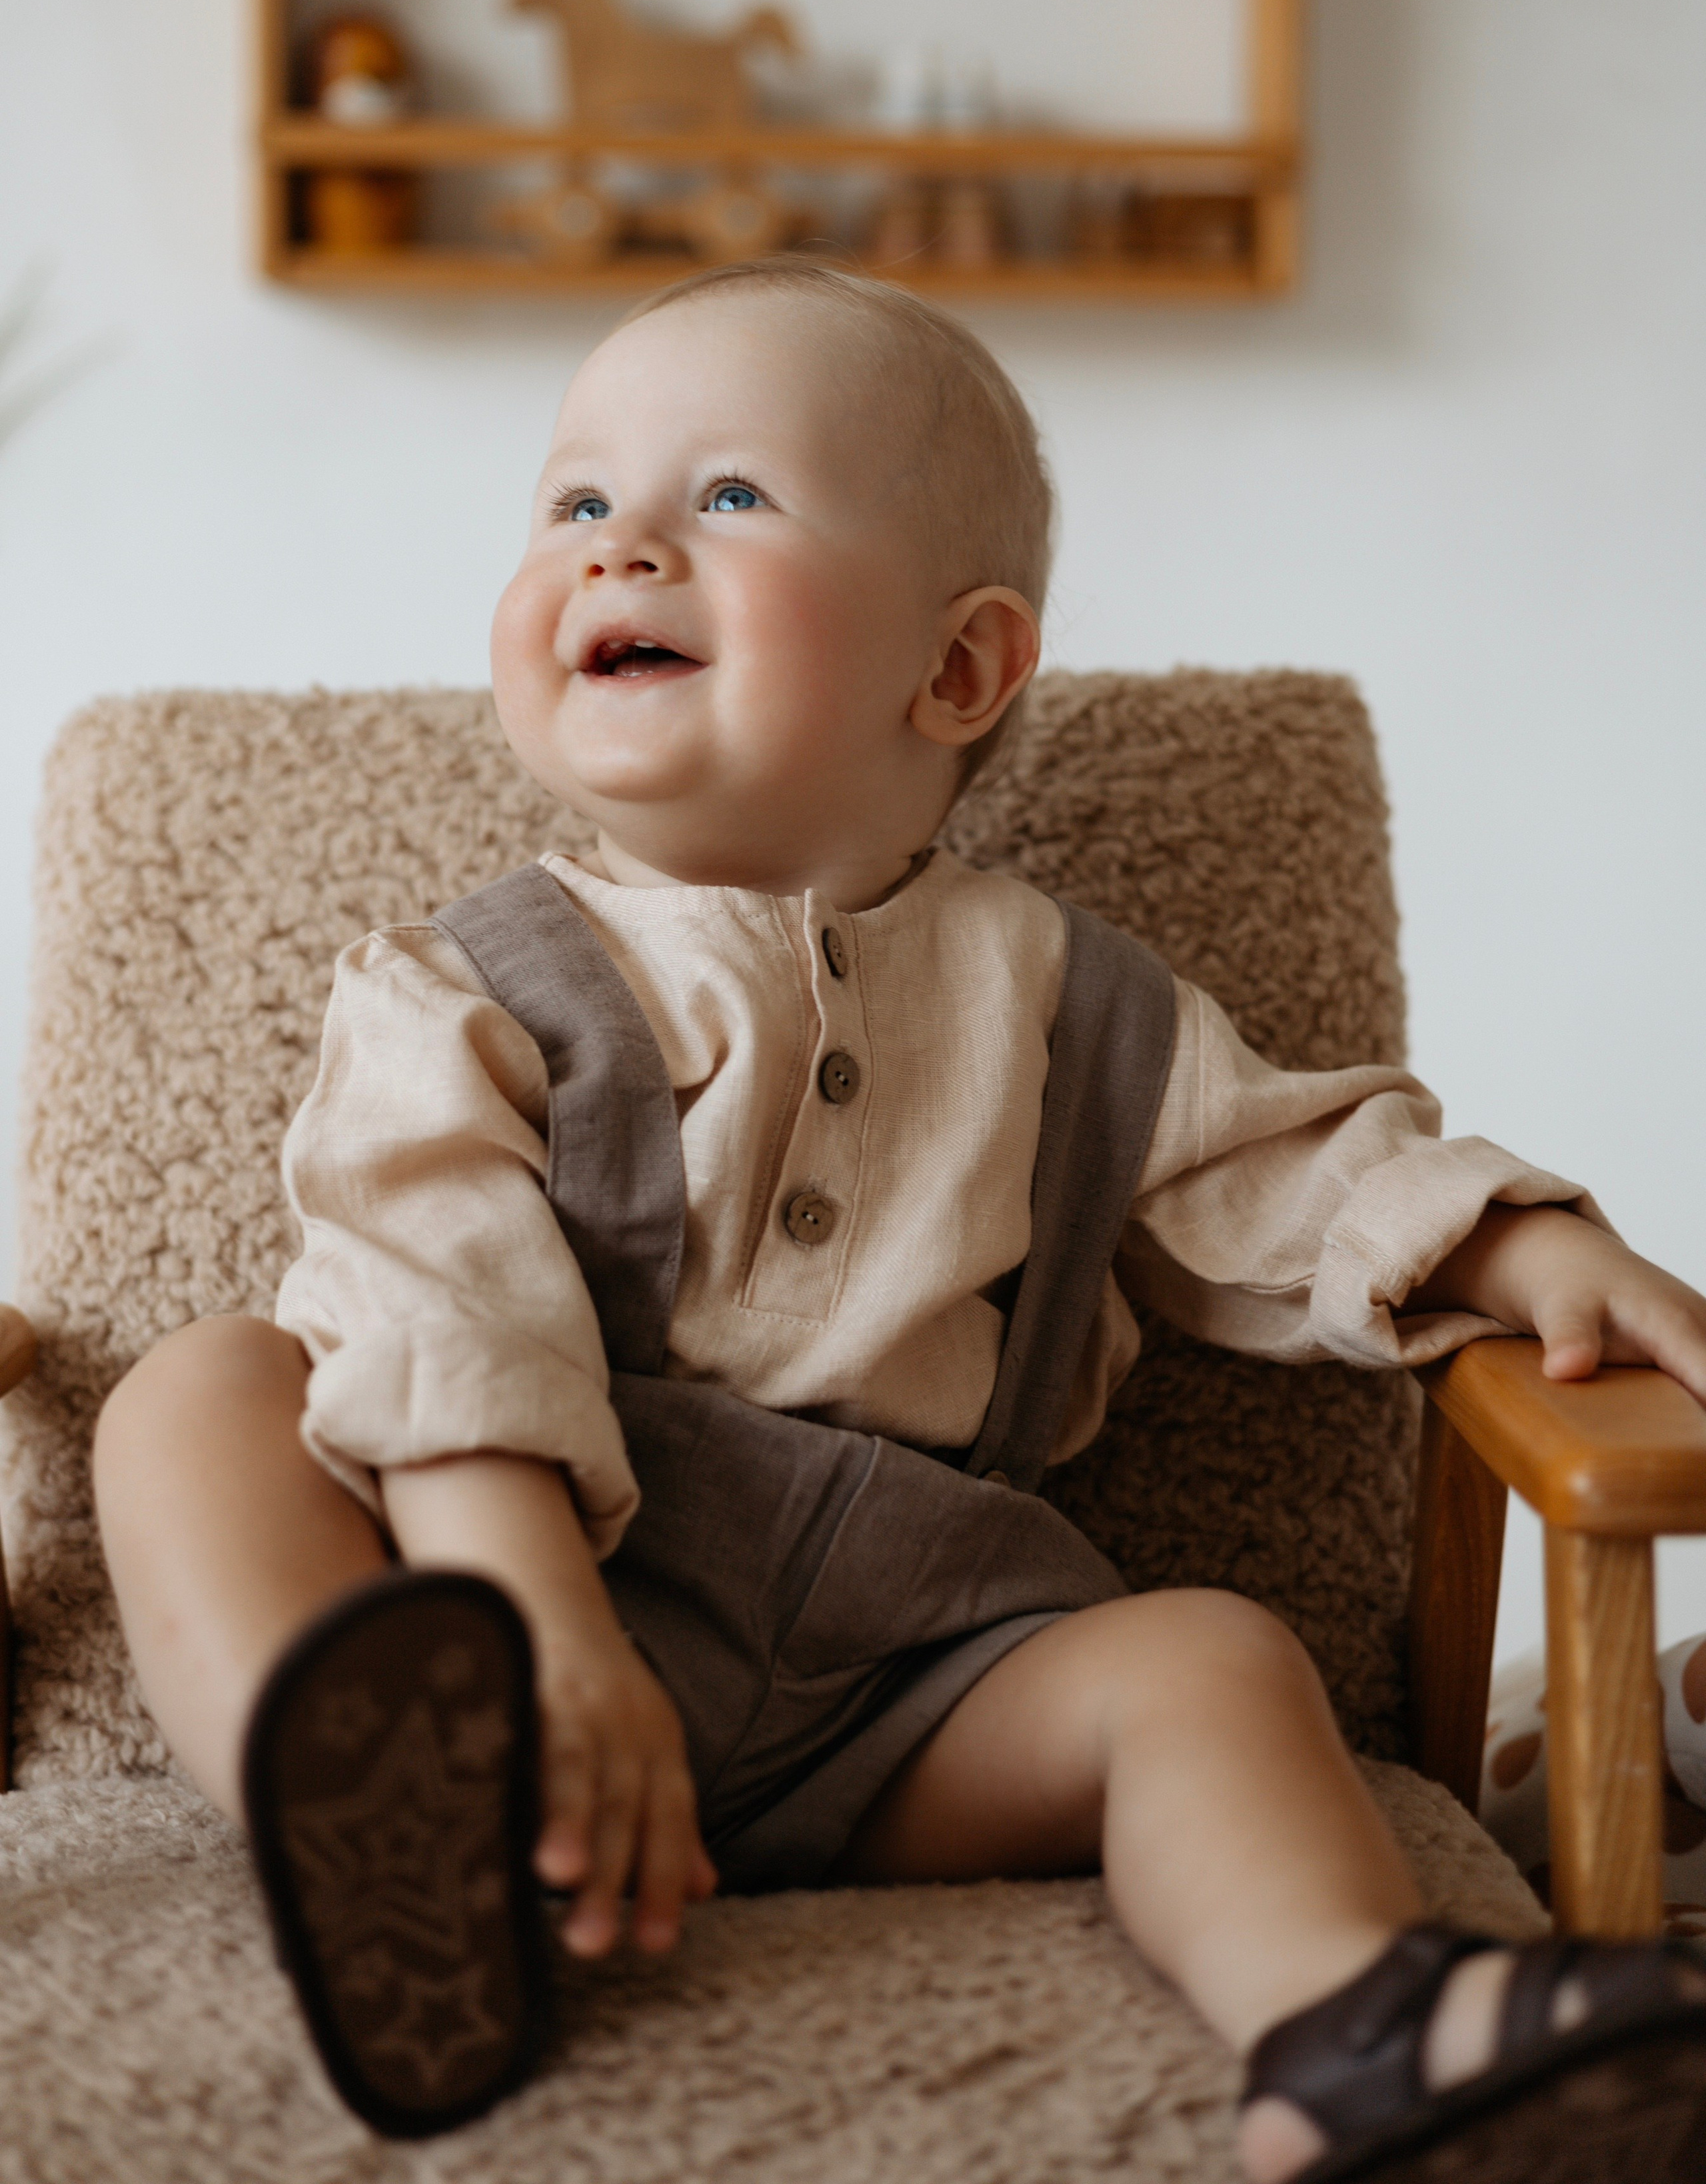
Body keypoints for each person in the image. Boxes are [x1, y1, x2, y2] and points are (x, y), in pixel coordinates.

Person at [93, 260, 1706, 2174]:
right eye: (578, 504)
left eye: (730, 501)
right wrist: (537, 1627)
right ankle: (396, 1828)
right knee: (199, 1397)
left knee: (1209, 1660)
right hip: (518, 1606)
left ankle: (1352, 2025)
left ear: (954, 670)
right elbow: (435, 1303)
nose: (621, 553)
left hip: (913, 1683)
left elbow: (1286, 1176)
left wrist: (1524, 1246)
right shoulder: (460, 993)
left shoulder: (1071, 1001)